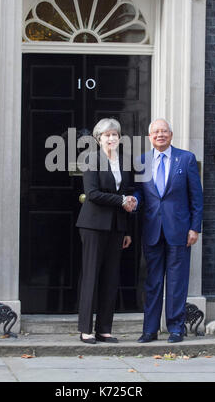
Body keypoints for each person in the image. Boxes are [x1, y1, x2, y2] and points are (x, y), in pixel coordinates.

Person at [124, 118, 203, 343]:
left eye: (164, 131)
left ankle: (176, 328)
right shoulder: (141, 161)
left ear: (171, 134)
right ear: (150, 137)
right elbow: (139, 192)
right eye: (156, 132)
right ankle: (150, 330)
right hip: (152, 230)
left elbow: (196, 197)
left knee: (177, 281)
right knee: (152, 282)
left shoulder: (185, 159)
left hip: (179, 230)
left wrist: (194, 228)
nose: (160, 134)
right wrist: (134, 201)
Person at [76, 118, 135, 344]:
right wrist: (121, 200)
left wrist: (127, 229)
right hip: (93, 225)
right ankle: (85, 329)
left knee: (111, 277)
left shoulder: (124, 162)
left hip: (117, 227)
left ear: (119, 138)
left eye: (114, 135)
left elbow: (128, 192)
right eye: (106, 135)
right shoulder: (92, 159)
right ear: (98, 138)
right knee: (91, 276)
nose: (111, 138)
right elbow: (92, 194)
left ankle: (104, 329)